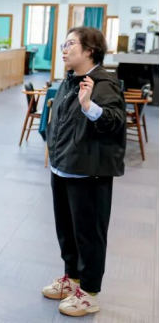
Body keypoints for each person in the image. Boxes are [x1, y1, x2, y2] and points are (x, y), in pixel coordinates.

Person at [42, 27, 126, 318]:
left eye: (70, 44)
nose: (64, 50)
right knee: (66, 230)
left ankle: (89, 292)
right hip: (63, 166)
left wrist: (89, 105)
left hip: (89, 172)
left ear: (90, 50)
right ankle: (73, 279)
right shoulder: (70, 80)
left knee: (89, 234)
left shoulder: (104, 83)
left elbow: (115, 121)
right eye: (63, 44)